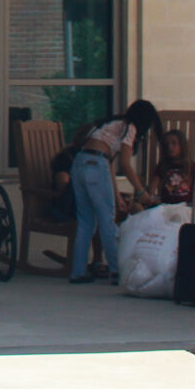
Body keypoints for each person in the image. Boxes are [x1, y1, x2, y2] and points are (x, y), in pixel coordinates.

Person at [70, 99, 162, 284]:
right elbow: (125, 165)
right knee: (107, 221)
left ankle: (78, 271)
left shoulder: (111, 124)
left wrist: (117, 194)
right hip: (97, 165)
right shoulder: (130, 128)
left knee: (86, 221)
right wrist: (141, 190)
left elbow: (109, 163)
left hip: (80, 163)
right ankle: (116, 270)